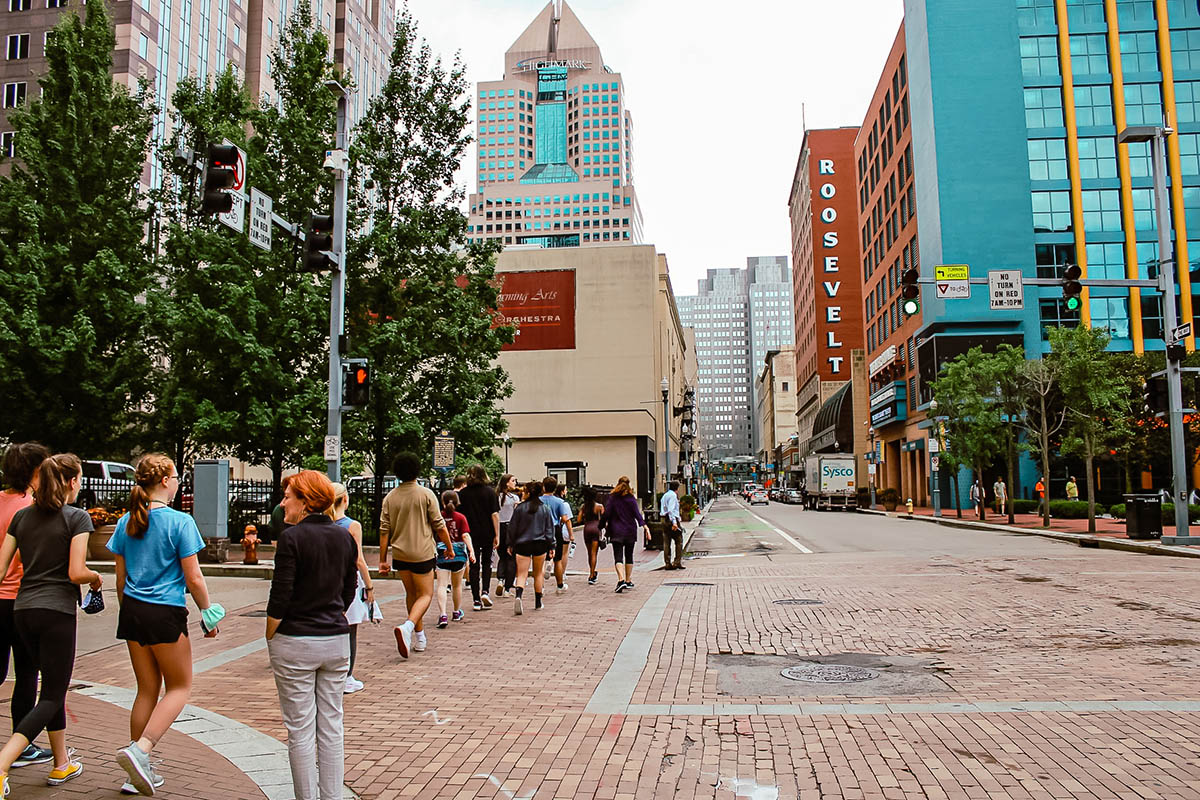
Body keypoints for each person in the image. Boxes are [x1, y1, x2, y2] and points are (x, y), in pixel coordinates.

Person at [109, 454, 223, 796]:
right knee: (179, 687)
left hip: (132, 612)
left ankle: (136, 773)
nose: (177, 482)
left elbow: (119, 579)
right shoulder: (180, 522)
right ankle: (140, 751)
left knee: (146, 689)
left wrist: (129, 608)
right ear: (164, 482)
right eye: (175, 477)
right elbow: (195, 577)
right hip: (165, 613)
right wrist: (208, 613)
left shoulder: (125, 522)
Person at [0, 453, 102, 794]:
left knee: (51, 690)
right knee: (52, 694)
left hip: (23, 610)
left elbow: (0, 571)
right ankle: (2, 765)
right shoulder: (77, 518)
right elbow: (76, 572)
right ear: (72, 481)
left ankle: (61, 763)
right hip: (56, 612)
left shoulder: (22, 518)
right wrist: (96, 577)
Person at [266, 470, 358, 800]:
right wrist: (333, 614)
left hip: (296, 638)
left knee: (300, 728)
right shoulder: (344, 536)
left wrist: (270, 633)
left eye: (288, 496)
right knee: (332, 725)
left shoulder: (291, 538)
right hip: (335, 638)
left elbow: (281, 593)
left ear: (305, 502)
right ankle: (332, 796)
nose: (283, 503)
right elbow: (349, 588)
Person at [0, 443, 50, 770]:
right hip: (21, 599)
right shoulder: (31, 508)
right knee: (27, 672)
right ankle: (23, 744)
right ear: (34, 471)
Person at [378, 452, 455, 659]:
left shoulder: (390, 498)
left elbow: (384, 530)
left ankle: (419, 637)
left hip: (401, 553)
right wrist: (449, 547)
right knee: (426, 595)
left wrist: (383, 559)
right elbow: (439, 525)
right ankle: (408, 627)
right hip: (422, 552)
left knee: (411, 595)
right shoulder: (426, 494)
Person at [329, 483, 375, 695]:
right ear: (345, 500)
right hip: (349, 581)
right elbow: (359, 560)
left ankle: (330, 673)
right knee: (350, 629)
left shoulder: (324, 523)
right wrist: (370, 586)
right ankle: (347, 676)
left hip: (327, 578)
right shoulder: (351, 525)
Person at [507, 481, 556, 614]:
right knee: (538, 573)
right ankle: (538, 601)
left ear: (528, 492)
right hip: (540, 543)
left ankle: (518, 596)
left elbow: (513, 528)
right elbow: (549, 530)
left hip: (522, 543)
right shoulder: (545, 509)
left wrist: (510, 543)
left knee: (522, 573)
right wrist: (552, 545)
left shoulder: (520, 509)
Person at [458, 465, 499, 612]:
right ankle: (485, 592)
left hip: (470, 533)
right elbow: (494, 514)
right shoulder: (490, 493)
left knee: (473, 565)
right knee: (487, 562)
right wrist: (497, 534)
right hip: (487, 532)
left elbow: (460, 515)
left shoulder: (462, 494)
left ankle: (476, 599)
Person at [434, 490, 473, 627]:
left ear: (442, 502)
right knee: (457, 585)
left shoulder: (437, 517)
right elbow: (465, 536)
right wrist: (471, 552)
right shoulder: (461, 517)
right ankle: (456, 611)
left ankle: (443, 614)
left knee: (442, 585)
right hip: (458, 555)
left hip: (442, 552)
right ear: (457, 503)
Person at [602, 476, 646, 593]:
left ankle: (620, 579)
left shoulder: (612, 498)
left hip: (616, 531)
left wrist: (601, 525)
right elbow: (637, 515)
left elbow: (606, 514)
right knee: (629, 555)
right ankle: (628, 580)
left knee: (618, 556)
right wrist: (645, 526)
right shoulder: (631, 499)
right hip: (630, 531)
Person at [540, 476, 573, 595]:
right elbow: (564, 518)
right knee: (558, 559)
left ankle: (541, 587)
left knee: (541, 559)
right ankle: (559, 585)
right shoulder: (559, 502)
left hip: (541, 529)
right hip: (555, 528)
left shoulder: (538, 500)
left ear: (543, 487)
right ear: (555, 488)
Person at [494, 474, 520, 597]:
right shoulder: (514, 498)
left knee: (502, 556)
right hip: (510, 528)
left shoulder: (496, 497)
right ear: (506, 483)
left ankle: (500, 579)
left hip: (499, 527)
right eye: (513, 481)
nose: (515, 483)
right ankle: (508, 588)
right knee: (511, 557)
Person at [577, 486, 605, 585]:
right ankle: (592, 574)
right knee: (594, 553)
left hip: (587, 528)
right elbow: (604, 520)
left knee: (589, 553)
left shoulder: (584, 507)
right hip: (596, 528)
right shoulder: (599, 506)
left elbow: (578, 520)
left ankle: (591, 571)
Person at [659, 481, 684, 570]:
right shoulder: (673, 496)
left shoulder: (665, 495)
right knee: (679, 541)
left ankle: (667, 563)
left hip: (663, 518)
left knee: (666, 541)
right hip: (671, 519)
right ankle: (677, 562)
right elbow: (671, 510)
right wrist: (674, 523)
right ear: (677, 488)